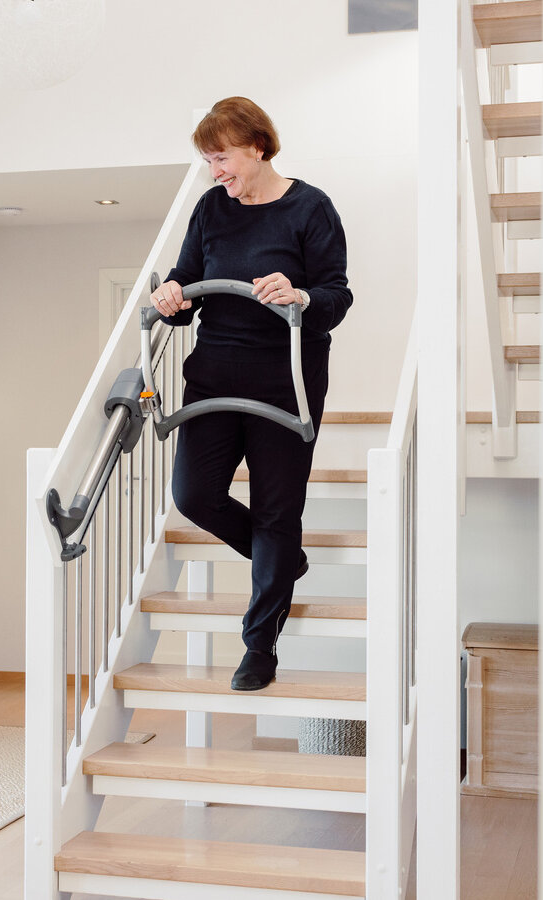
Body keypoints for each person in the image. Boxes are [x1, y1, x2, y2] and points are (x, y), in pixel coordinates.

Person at [150, 96, 352, 692]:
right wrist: (172, 297)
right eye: (209, 160)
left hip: (284, 381)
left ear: (257, 147)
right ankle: (284, 562)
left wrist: (299, 293)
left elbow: (336, 296)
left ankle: (259, 643)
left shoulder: (310, 208)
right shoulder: (211, 208)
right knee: (193, 495)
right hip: (214, 375)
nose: (216, 171)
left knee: (275, 510)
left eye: (221, 158)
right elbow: (186, 282)